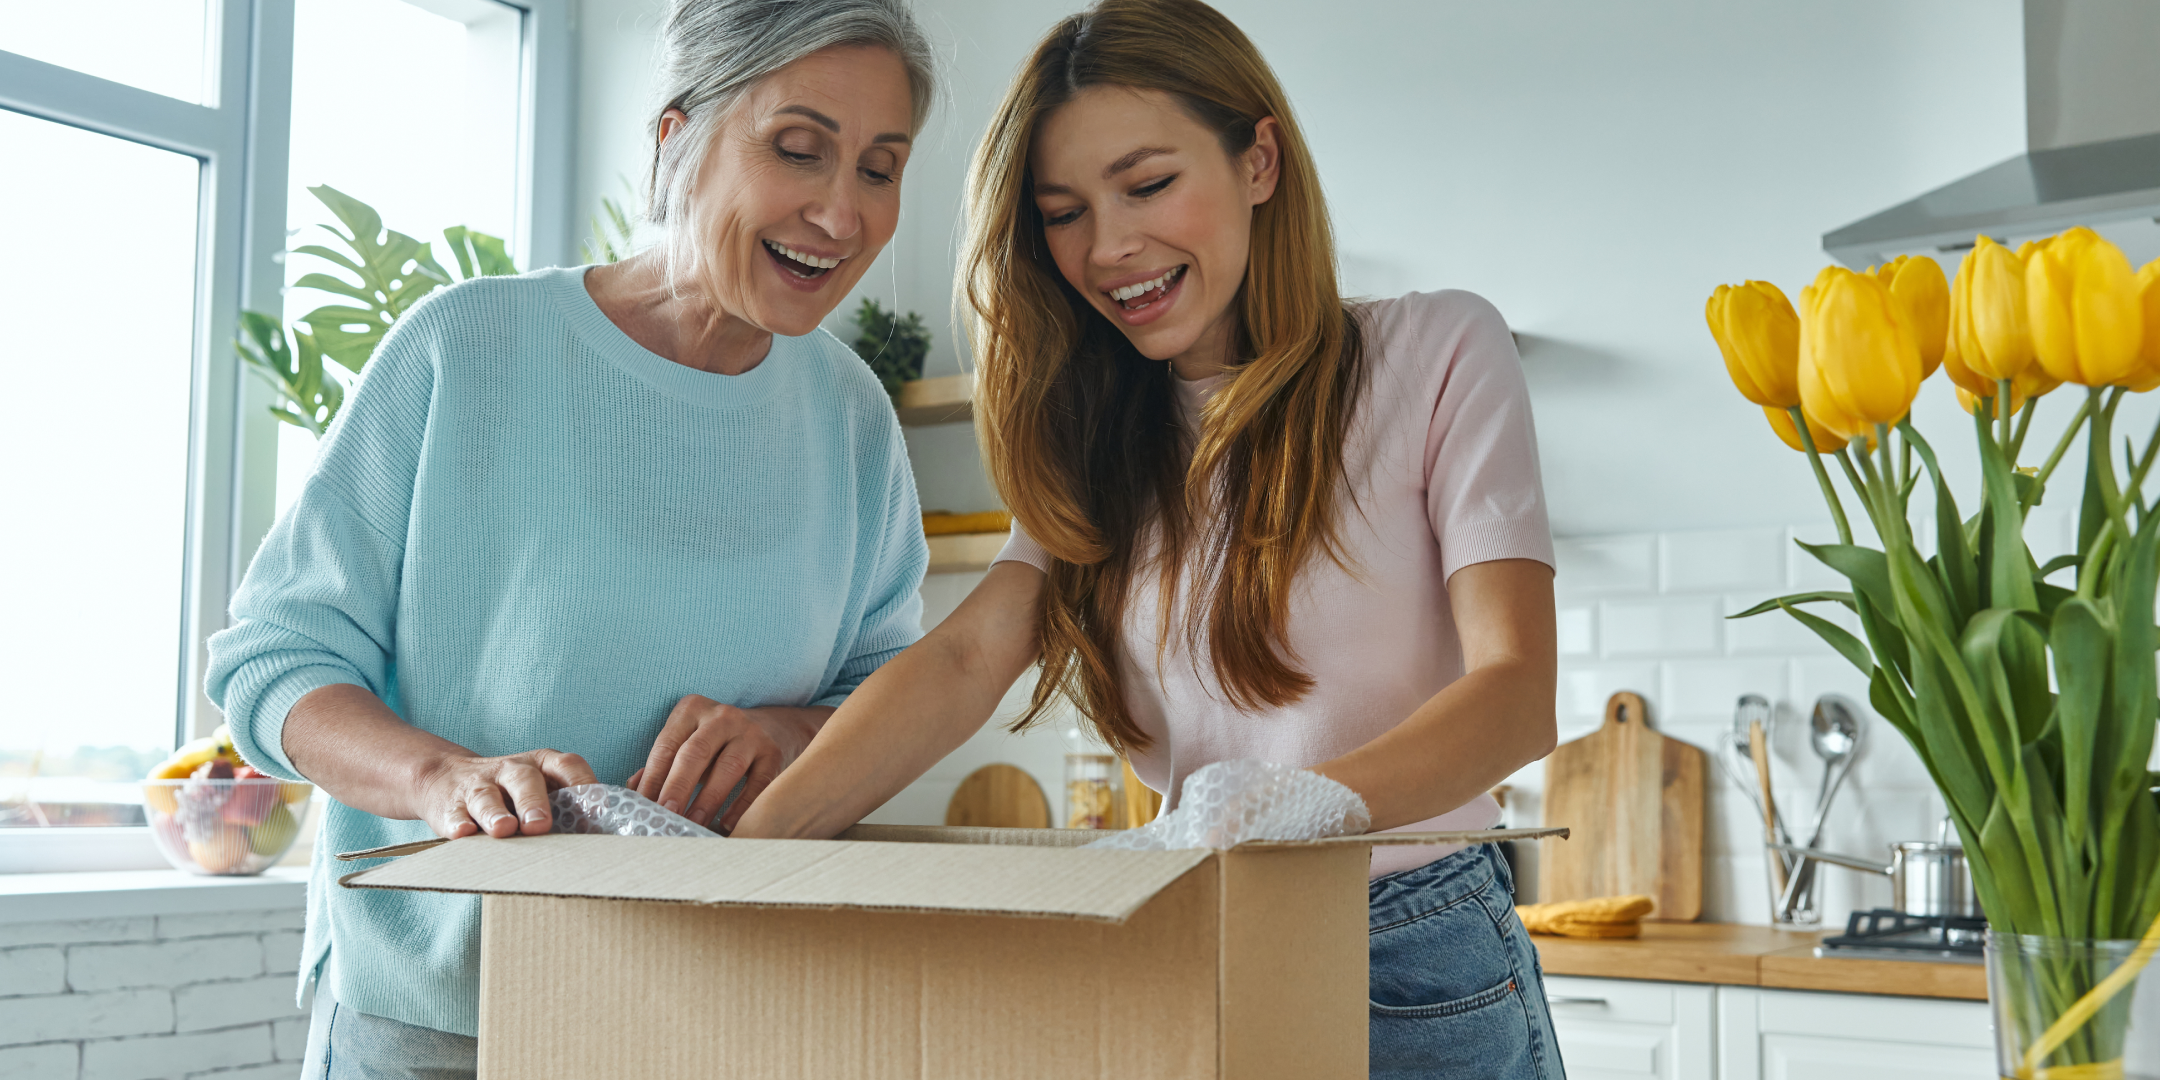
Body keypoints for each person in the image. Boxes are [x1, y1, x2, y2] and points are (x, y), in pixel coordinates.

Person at [641, 1, 1565, 1075]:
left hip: (1408, 949)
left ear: (1259, 159)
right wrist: (742, 865)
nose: (1110, 246)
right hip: (1180, 926)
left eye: (1148, 183)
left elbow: (1516, 690)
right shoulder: (1102, 432)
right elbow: (965, 658)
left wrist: (1321, 801)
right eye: (1064, 211)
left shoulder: (1441, 349)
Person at [203, 1, 936, 1074]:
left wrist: (788, 731)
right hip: (447, 1025)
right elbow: (273, 662)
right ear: (673, 138)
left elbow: (890, 691)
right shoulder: (468, 348)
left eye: (881, 167)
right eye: (798, 150)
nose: (841, 210)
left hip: (722, 1021)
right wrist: (440, 779)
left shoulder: (852, 415)